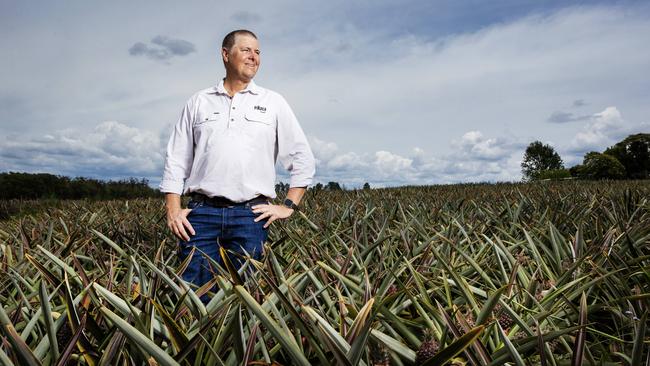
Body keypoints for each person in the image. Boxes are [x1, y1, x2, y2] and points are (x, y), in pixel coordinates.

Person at [159, 29, 315, 294]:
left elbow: (302, 157)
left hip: (250, 216)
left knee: (248, 298)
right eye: (246, 50)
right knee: (194, 296)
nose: (254, 57)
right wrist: (173, 210)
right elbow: (176, 159)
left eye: (258, 52)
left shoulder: (273, 102)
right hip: (201, 215)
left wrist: (288, 205)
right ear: (225, 54)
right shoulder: (199, 101)